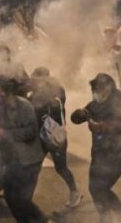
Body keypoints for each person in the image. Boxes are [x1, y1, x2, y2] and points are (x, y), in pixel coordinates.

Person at [0, 78, 58, 223]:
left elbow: (30, 132)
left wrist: (4, 134)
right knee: (9, 196)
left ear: (8, 92)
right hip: (13, 160)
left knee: (21, 198)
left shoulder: (24, 106)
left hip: (29, 159)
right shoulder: (1, 108)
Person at [70, 73, 121, 223]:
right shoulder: (94, 105)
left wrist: (97, 126)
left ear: (109, 87)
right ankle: (115, 217)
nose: (97, 92)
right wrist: (80, 114)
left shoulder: (119, 103)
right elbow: (75, 119)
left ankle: (113, 219)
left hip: (118, 154)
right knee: (95, 187)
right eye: (94, 89)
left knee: (100, 187)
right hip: (99, 153)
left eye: (100, 89)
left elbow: (119, 124)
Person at [28, 67, 81, 208]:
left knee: (61, 167)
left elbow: (40, 107)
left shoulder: (52, 93)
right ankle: (26, 199)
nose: (34, 82)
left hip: (53, 135)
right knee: (35, 167)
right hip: (43, 135)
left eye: (36, 79)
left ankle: (75, 191)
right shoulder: (50, 91)